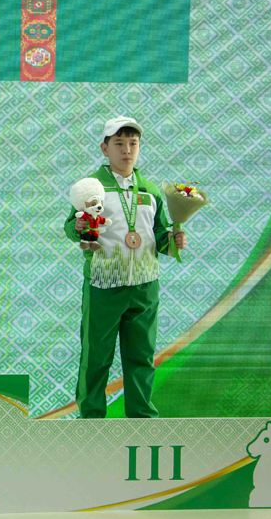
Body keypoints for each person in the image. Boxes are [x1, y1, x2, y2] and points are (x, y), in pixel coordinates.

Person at [64, 115, 188, 418]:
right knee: (96, 358)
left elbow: (159, 237)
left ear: (139, 147)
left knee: (142, 358)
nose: (127, 150)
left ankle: (142, 419)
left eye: (132, 144)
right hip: (104, 285)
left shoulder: (151, 191)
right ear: (105, 148)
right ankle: (91, 419)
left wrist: (173, 242)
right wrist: (80, 226)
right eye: (119, 143)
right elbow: (71, 227)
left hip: (145, 287)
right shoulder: (91, 188)